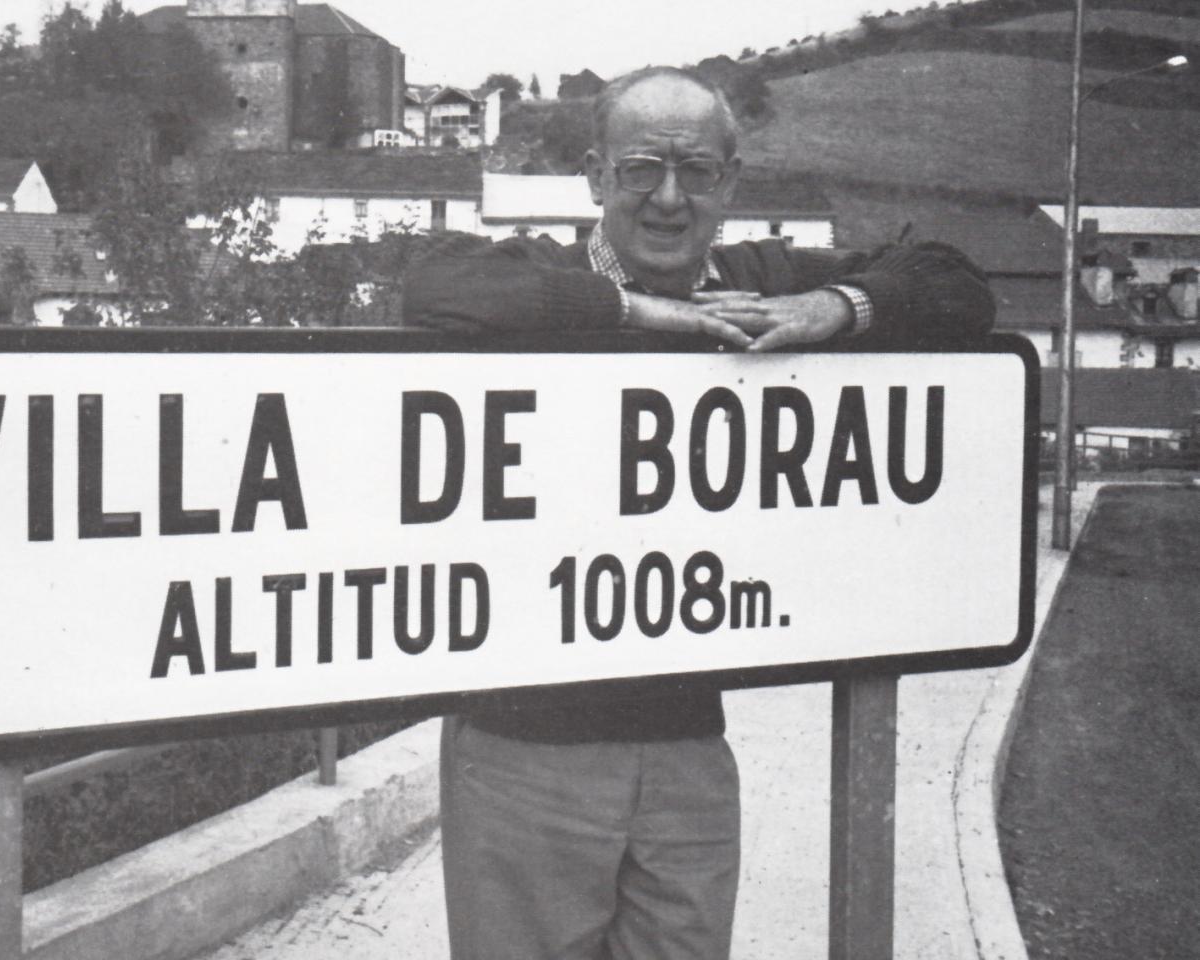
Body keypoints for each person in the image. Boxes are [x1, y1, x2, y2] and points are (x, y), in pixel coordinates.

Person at [401, 66, 995, 960]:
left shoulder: (761, 278)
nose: (669, 199)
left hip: (688, 755)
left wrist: (832, 308)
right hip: (525, 751)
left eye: (697, 171)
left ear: (731, 182)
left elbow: (956, 283)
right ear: (597, 178)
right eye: (642, 169)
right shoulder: (547, 272)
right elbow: (433, 285)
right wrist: (636, 312)